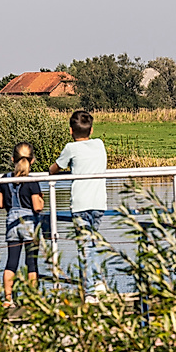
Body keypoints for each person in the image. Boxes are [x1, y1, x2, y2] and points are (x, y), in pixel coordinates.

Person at [49, 110, 108, 295]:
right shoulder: (99, 144)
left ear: (70, 131)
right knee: (93, 244)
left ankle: (90, 290)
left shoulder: (70, 148)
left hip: (81, 204)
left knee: (85, 247)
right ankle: (97, 283)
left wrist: (51, 170)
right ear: (91, 131)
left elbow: (55, 168)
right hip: (99, 203)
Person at [0, 142, 44, 298]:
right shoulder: (31, 181)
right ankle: (32, 298)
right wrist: (42, 200)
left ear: (12, 159)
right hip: (29, 223)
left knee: (11, 262)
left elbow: (1, 204)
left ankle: (8, 298)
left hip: (11, 223)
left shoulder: (5, 179)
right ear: (32, 161)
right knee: (31, 263)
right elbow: (37, 207)